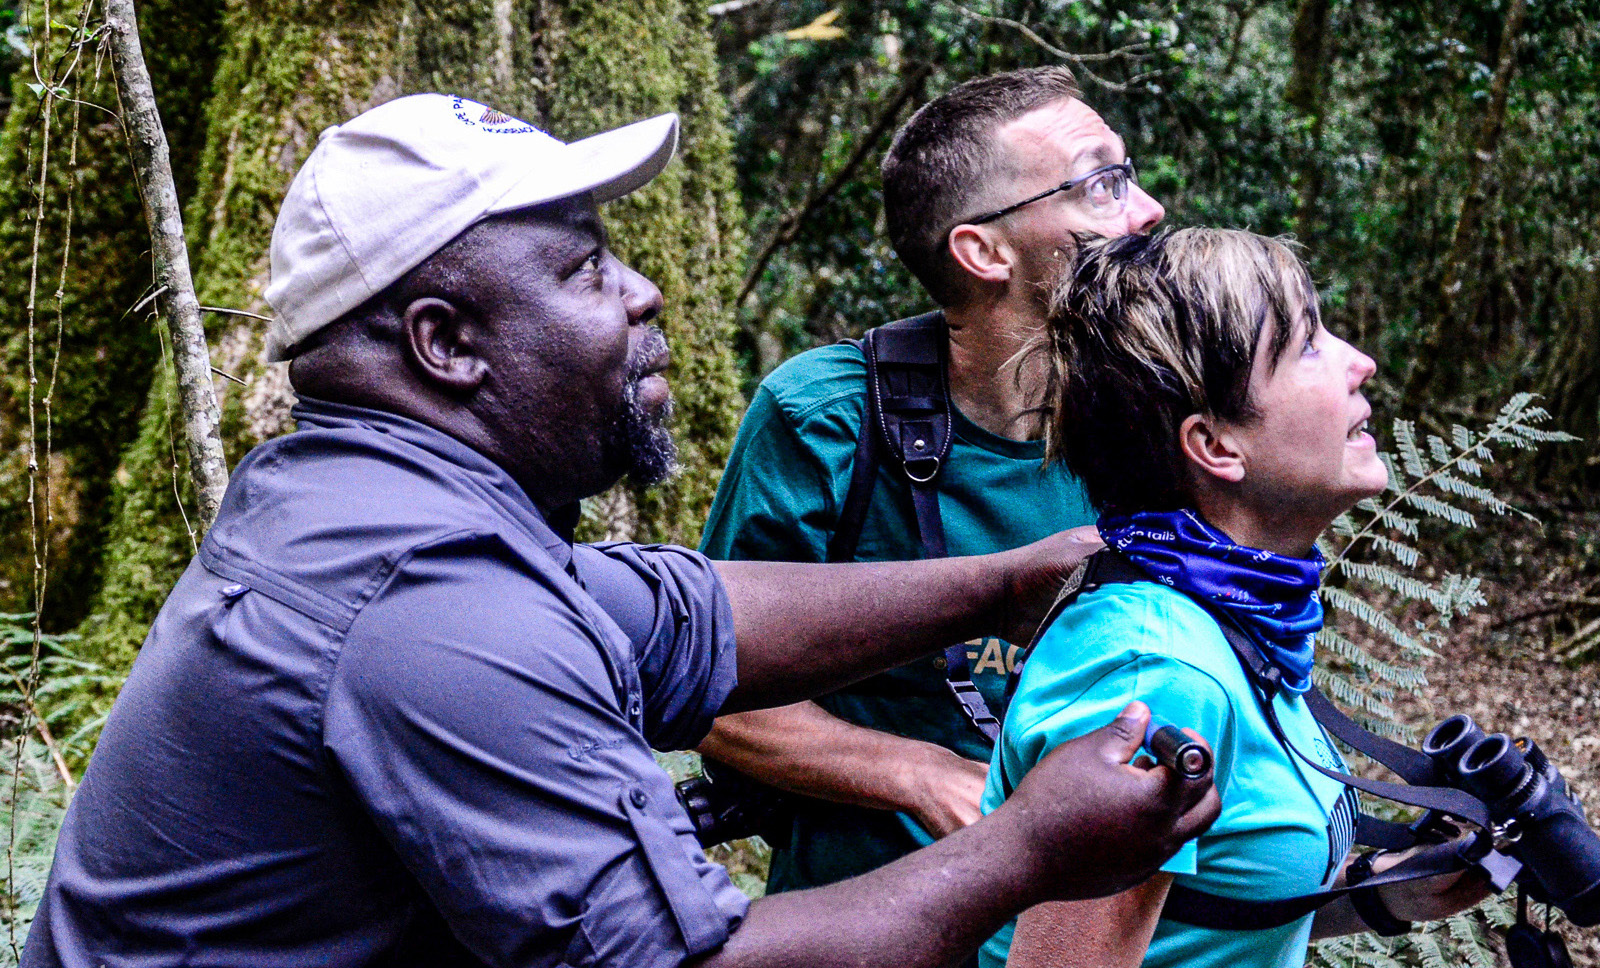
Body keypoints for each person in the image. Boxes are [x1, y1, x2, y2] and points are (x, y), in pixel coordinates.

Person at [20, 95, 1220, 968]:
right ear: (446, 343)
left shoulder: (354, 501)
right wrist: (1026, 846)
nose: (643, 291)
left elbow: (683, 614)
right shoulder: (427, 598)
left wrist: (1006, 581)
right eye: (586, 267)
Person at [697, 66, 1166, 895]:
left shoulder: (1155, 419)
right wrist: (919, 772)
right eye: (1101, 183)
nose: (1148, 209)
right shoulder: (827, 420)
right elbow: (711, 694)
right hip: (865, 918)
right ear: (982, 250)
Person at [979, 228, 1489, 968]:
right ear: (1216, 445)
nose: (1360, 362)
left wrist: (1384, 897)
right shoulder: (1156, 675)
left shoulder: (1235, 622)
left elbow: (1198, 917)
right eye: (1308, 345)